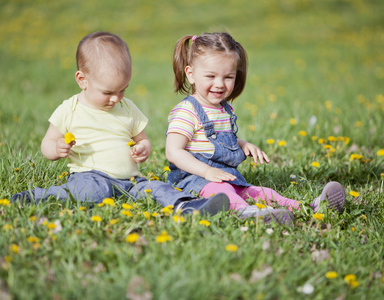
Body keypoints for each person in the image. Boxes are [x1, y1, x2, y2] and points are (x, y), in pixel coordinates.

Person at [11, 31, 230, 216]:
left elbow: (142, 139)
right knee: (90, 192)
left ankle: (188, 206)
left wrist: (143, 149)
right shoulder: (69, 110)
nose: (116, 98)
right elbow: (46, 143)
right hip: (91, 176)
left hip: (131, 179)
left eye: (122, 89)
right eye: (108, 92)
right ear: (82, 80)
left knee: (156, 187)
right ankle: (37, 197)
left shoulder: (127, 108)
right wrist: (56, 148)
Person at [165, 32, 346, 224]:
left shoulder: (224, 109)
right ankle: (249, 213)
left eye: (228, 77)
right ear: (190, 74)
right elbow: (173, 151)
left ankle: (310, 207)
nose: (219, 84)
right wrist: (206, 172)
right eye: (211, 76)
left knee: (262, 192)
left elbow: (215, 141)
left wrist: (243, 145)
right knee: (225, 192)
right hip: (194, 181)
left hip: (225, 177)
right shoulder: (187, 111)